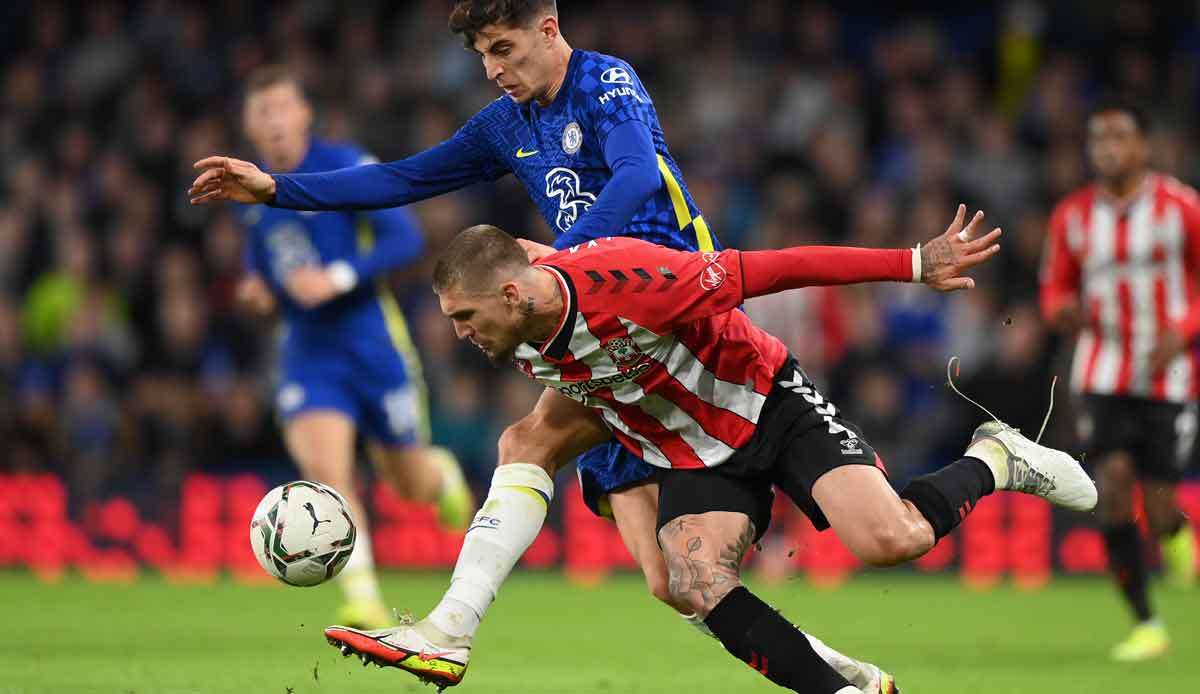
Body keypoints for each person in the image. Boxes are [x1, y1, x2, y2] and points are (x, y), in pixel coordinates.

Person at [190, 4, 896, 686]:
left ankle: (448, 632)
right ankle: (846, 677)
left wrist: (561, 265)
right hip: (600, 331)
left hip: (673, 324)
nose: (492, 69)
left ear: (548, 30)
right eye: (482, 56)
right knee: (669, 581)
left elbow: (638, 174)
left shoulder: (606, 83)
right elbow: (403, 178)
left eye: (502, 49)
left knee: (526, 443)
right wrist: (276, 189)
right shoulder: (507, 125)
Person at [323, 212, 1097, 693]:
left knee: (889, 540)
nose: (459, 333)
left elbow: (773, 268)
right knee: (690, 581)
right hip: (691, 452)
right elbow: (515, 253)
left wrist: (912, 264)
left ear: (514, 295)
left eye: (465, 316)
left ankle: (996, 457)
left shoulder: (632, 283)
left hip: (766, 402)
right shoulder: (518, 302)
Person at [235, 65, 473, 629]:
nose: (272, 122)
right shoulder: (253, 196)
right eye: (261, 112)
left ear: (304, 114)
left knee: (406, 483)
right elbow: (263, 272)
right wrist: (259, 293)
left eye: (280, 108)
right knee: (327, 471)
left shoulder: (345, 165)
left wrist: (337, 277)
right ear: (249, 124)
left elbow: (405, 237)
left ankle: (441, 476)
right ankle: (362, 594)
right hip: (307, 351)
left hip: (370, 340)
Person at [1040, 97, 1199, 661]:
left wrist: (1187, 327)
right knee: (1111, 484)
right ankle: (1146, 623)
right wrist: (1060, 310)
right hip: (1101, 372)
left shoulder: (1183, 207)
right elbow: (1054, 288)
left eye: (1118, 138)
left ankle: (1175, 535)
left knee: (1158, 505)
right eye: (1097, 139)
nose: (1106, 149)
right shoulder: (1073, 216)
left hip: (1168, 375)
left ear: (1144, 146)